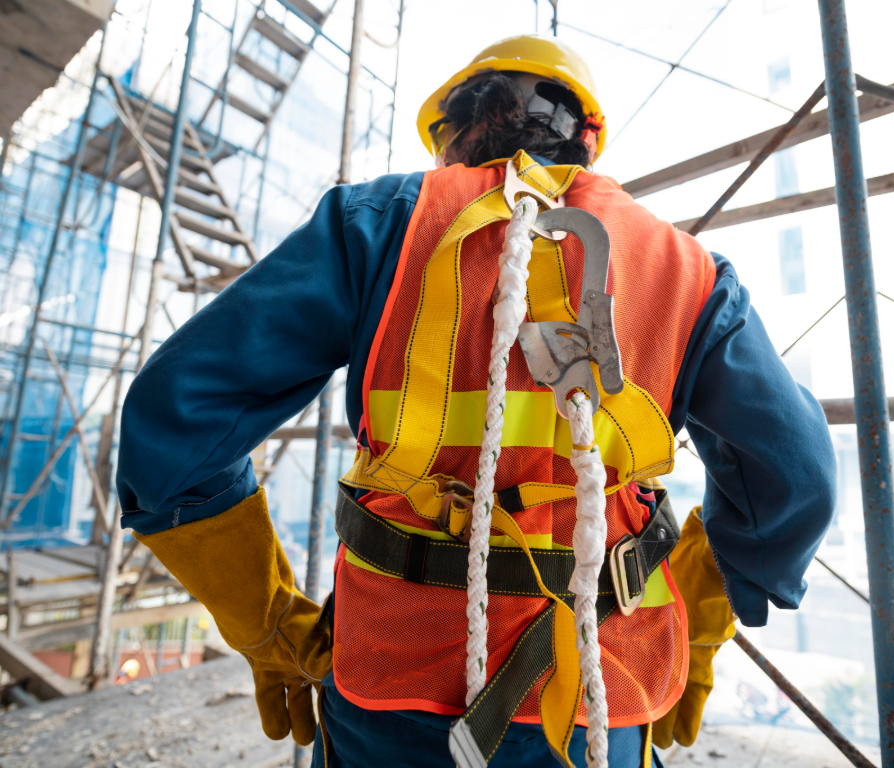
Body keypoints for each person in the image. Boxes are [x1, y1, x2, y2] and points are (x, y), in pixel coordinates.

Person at [117, 35, 836, 768]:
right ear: (586, 138)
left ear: (453, 136)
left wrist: (267, 622)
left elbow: (172, 422)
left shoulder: (380, 224)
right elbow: (795, 471)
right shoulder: (686, 270)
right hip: (603, 687)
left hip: (391, 682)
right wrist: (704, 610)